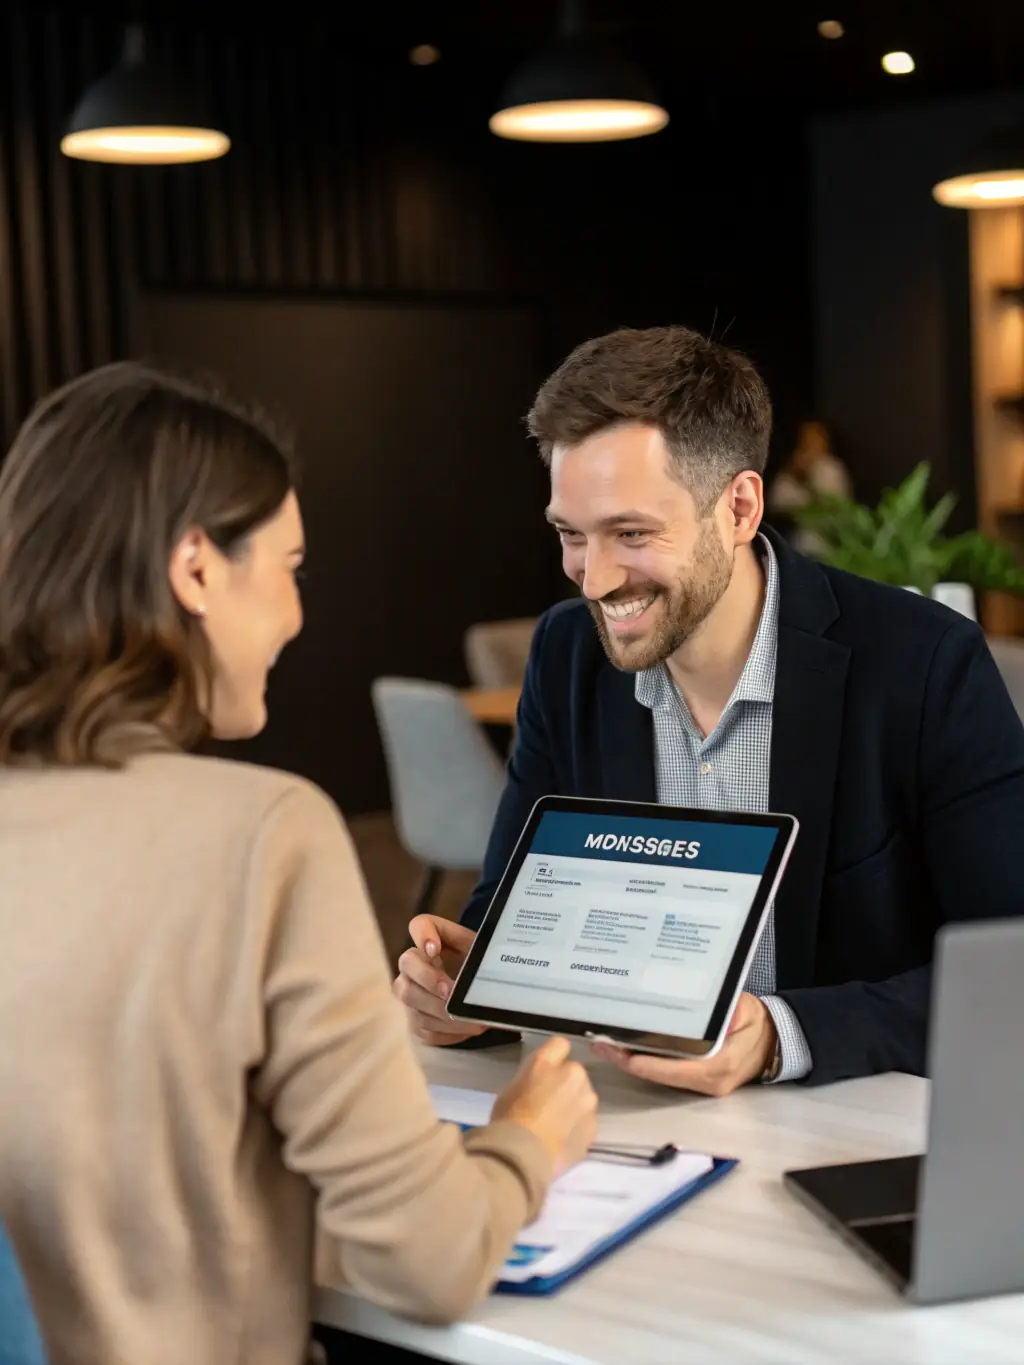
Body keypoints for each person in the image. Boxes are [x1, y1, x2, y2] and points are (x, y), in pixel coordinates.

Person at [0, 363, 598, 1365]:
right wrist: (529, 1137)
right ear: (197, 570)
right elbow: (430, 1257)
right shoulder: (261, 834)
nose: (295, 616)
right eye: (290, 569)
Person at [394, 325, 1024, 1095]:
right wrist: (468, 990)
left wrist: (780, 1035)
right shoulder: (567, 654)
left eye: (631, 532)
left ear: (739, 508)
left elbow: (1011, 963)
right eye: (570, 534)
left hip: (855, 1124)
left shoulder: (922, 663)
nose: (593, 579)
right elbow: (508, 911)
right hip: (631, 1118)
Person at [766, 418, 852, 555]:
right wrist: (794, 474)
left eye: (815, 437)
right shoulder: (792, 470)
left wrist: (808, 476)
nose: (810, 442)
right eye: (806, 436)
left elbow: (831, 504)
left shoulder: (831, 468)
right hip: (798, 545)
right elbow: (777, 499)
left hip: (830, 547)